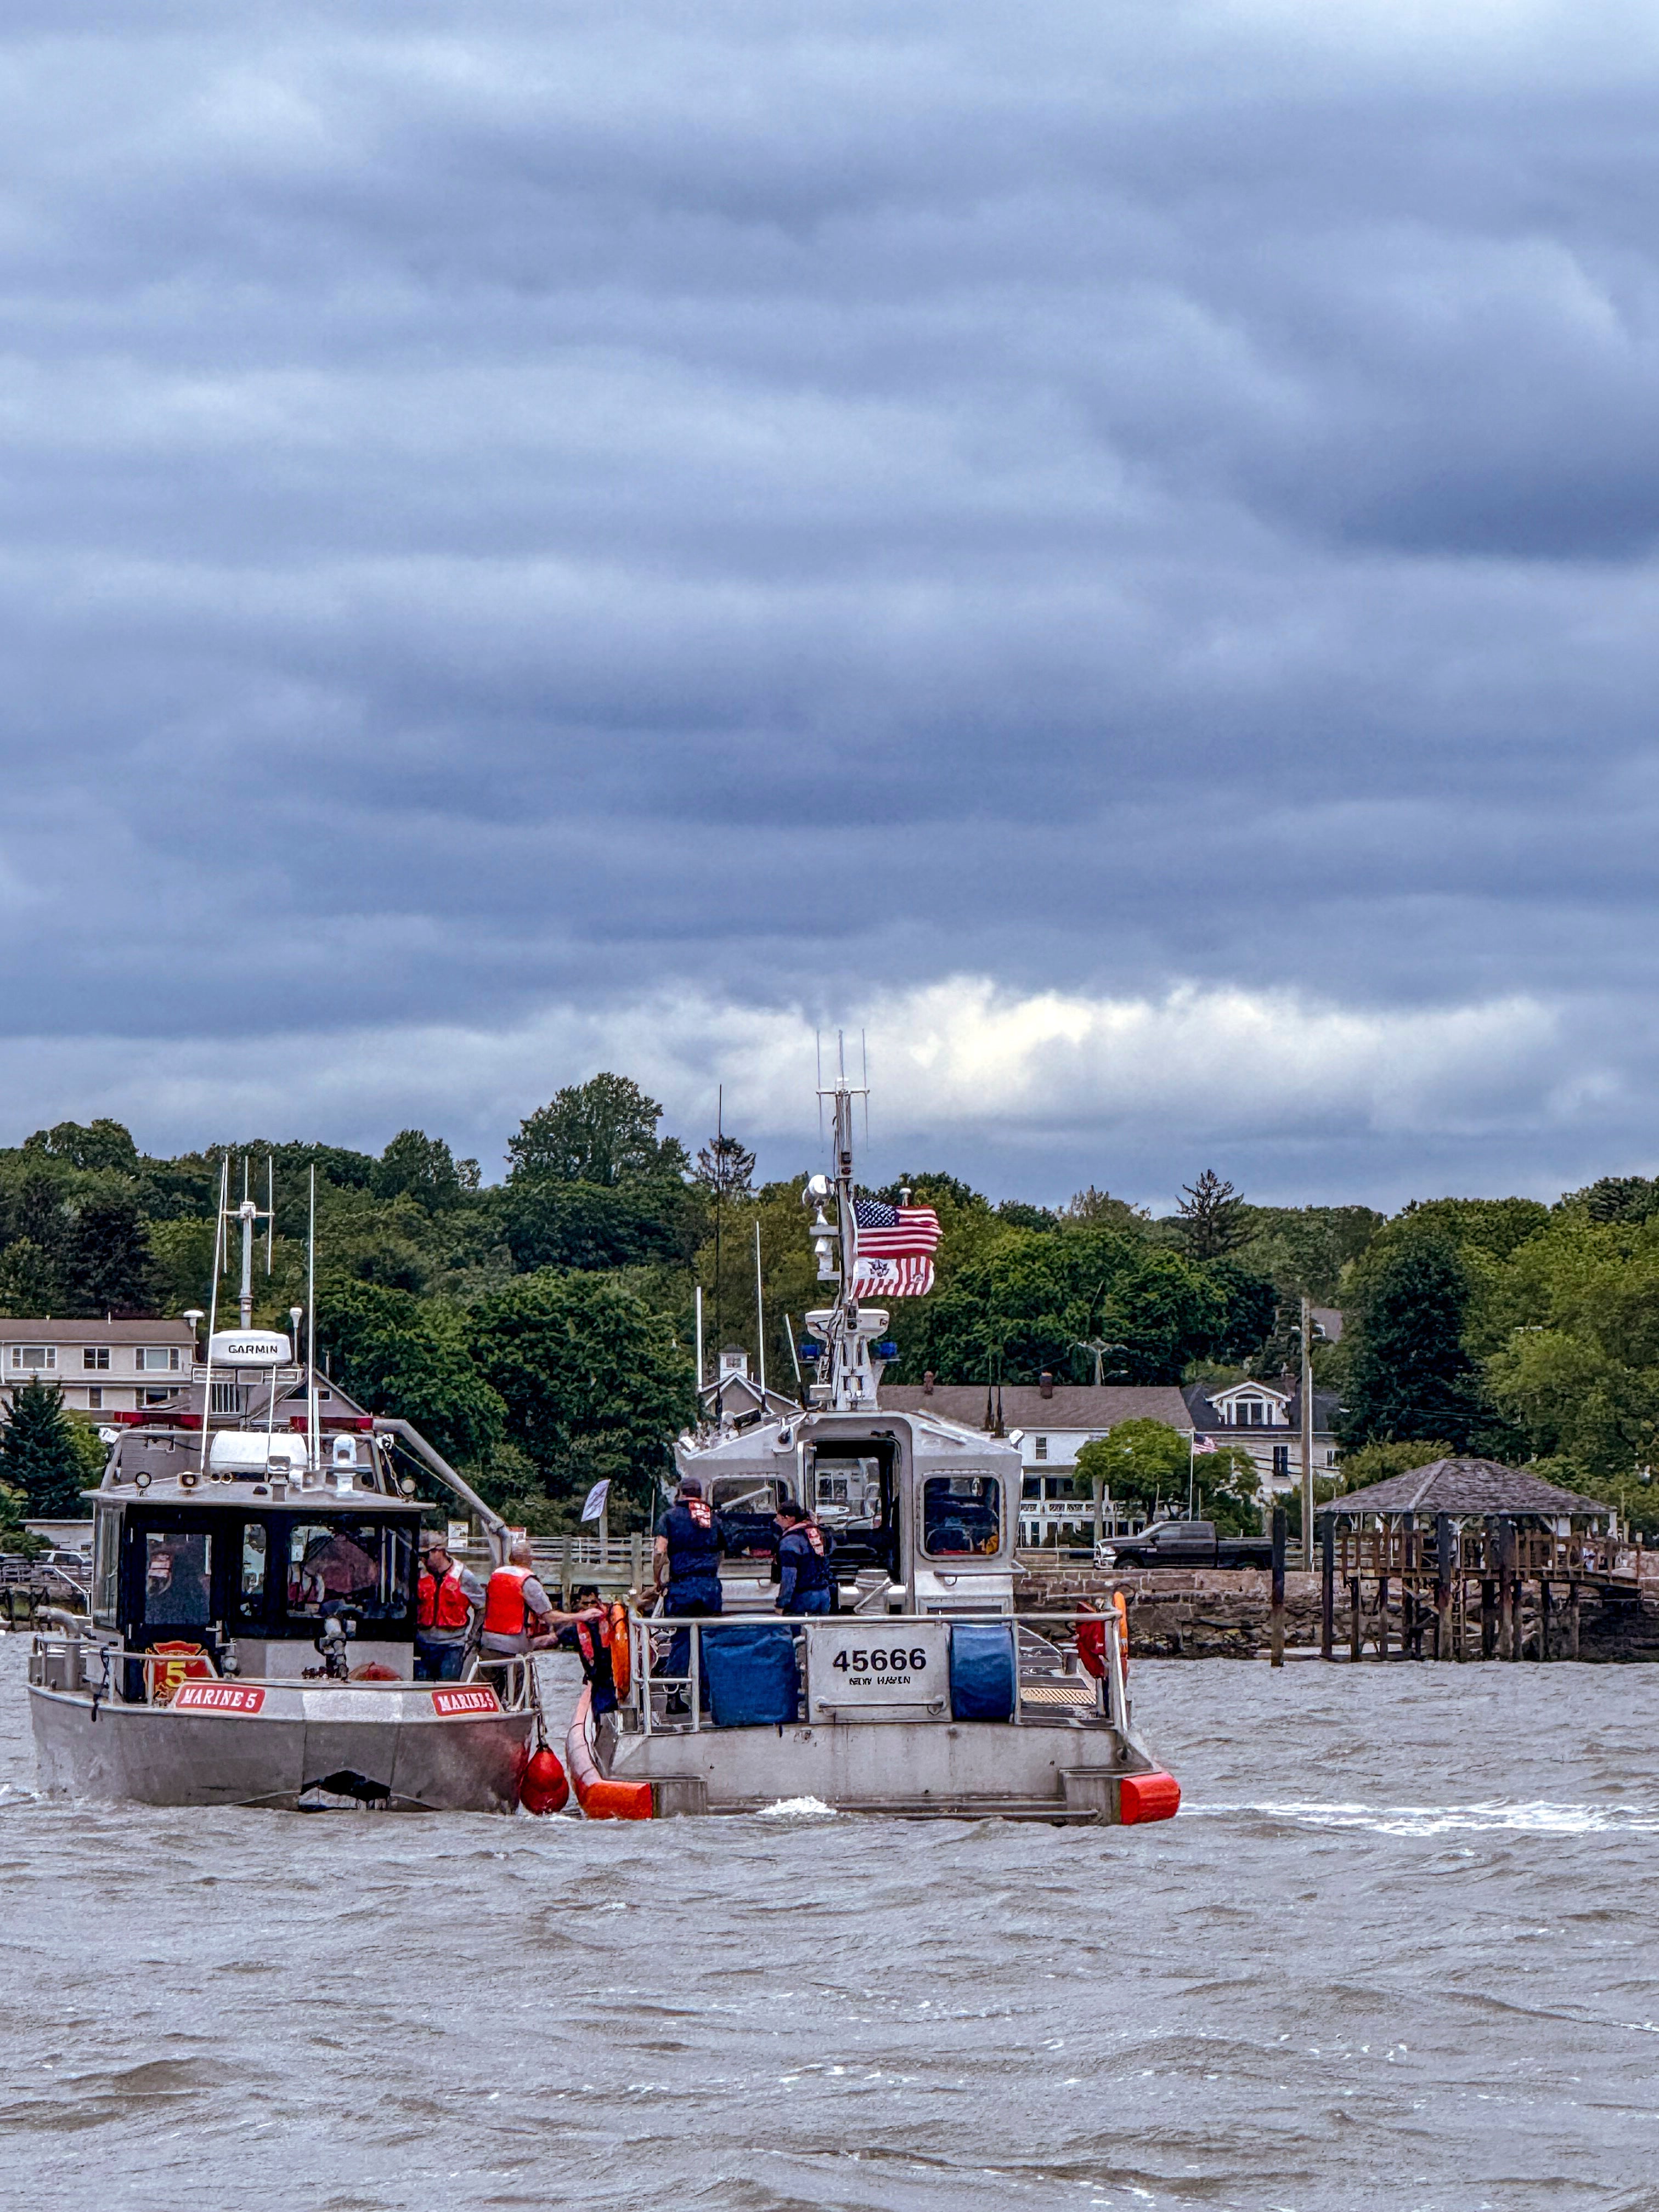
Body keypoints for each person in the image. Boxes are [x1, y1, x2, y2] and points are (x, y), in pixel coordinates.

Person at [654, 1475, 725, 1713]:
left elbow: (660, 1552)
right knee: (707, 1642)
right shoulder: (713, 1518)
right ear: (700, 1494)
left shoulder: (670, 1517)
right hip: (709, 1586)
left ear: (680, 1493)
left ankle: (674, 1700)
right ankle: (707, 1699)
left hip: (683, 1587)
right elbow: (721, 1551)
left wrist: (658, 1580)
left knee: (682, 1640)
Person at [414, 1534, 484, 1681]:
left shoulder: (464, 1576)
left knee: (447, 1689)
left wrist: (472, 1638)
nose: (422, 1559)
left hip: (453, 1646)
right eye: (420, 1555)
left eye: (425, 1555)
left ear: (439, 1551)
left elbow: (482, 1607)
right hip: (423, 1645)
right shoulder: (418, 1576)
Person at [775, 1502, 836, 1617]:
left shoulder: (790, 1542)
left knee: (799, 1633)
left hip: (803, 1597)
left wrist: (782, 1603)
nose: (777, 1522)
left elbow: (789, 1578)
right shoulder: (819, 1534)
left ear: (788, 1518)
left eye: (779, 1519)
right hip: (824, 1593)